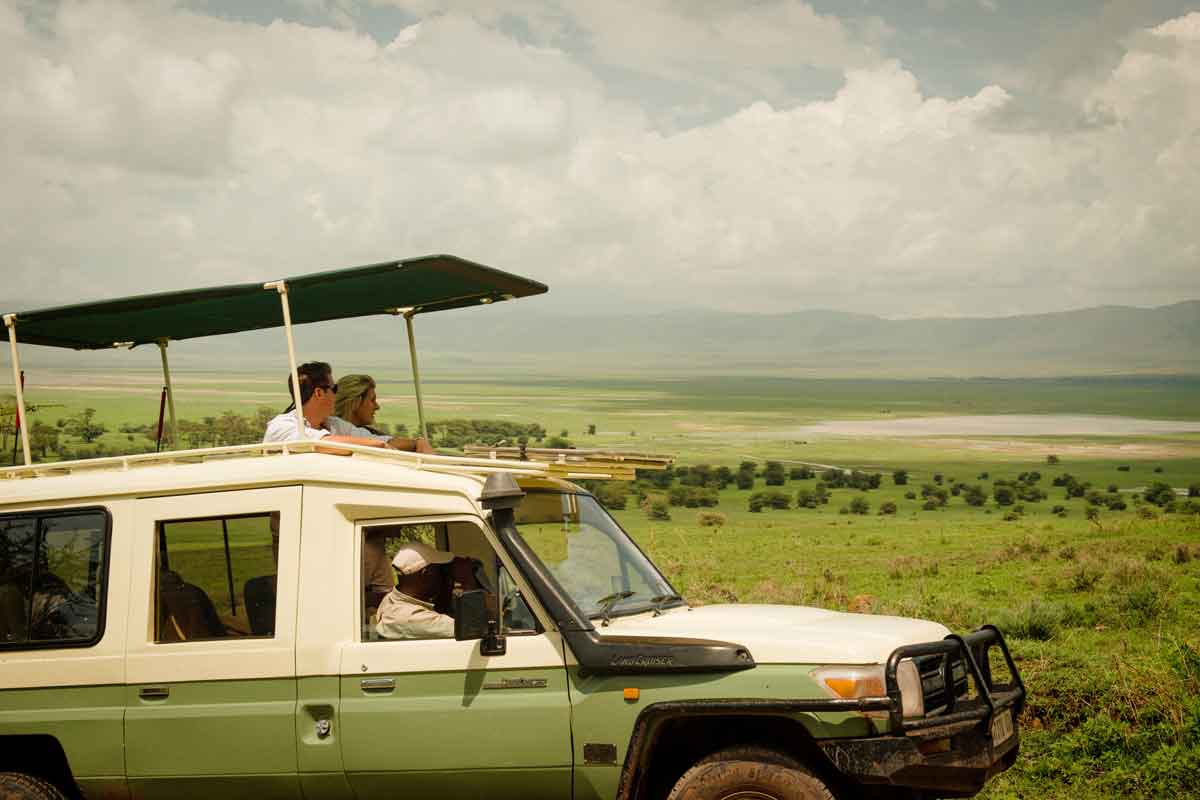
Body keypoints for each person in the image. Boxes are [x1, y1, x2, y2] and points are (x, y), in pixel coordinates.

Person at [262, 362, 433, 453]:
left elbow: (373, 439)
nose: (336, 395)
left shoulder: (334, 424)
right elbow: (319, 443)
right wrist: (378, 447)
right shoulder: (282, 426)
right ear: (319, 393)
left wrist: (417, 443)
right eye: (334, 389)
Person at [375, 542, 482, 640]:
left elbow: (439, 609)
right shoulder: (411, 618)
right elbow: (474, 628)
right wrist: (468, 580)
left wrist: (446, 584)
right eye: (439, 569)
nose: (441, 575)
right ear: (426, 574)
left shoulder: (390, 599)